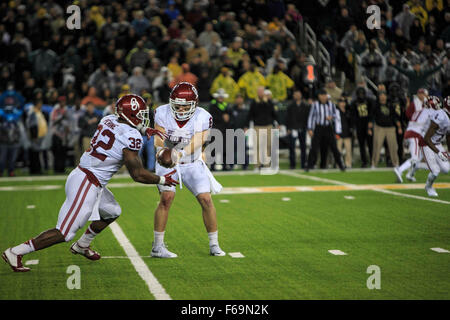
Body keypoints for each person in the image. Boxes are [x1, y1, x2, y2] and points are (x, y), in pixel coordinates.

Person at [2, 94, 177, 272]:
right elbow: (138, 175)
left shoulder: (108, 119)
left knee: (112, 212)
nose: (142, 118)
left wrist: (144, 129)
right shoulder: (132, 137)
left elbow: (124, 128)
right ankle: (16, 252)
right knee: (65, 232)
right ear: (131, 115)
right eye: (140, 114)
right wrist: (163, 179)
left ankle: (82, 245)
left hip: (88, 177)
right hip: (86, 182)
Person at [152, 82, 226, 258]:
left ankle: (214, 244)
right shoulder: (162, 112)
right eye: (177, 105)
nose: (180, 109)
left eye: (185, 106)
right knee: (166, 198)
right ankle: (157, 246)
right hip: (167, 163)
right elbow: (158, 137)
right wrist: (162, 152)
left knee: (206, 200)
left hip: (192, 162)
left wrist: (180, 153)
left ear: (194, 104)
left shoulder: (203, 116)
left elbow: (198, 141)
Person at [306, 89, 345, 171]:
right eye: (322, 96)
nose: (324, 97)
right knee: (314, 147)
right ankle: (309, 165)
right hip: (318, 127)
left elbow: (336, 115)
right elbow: (311, 117)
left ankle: (340, 165)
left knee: (333, 147)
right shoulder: (315, 105)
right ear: (319, 96)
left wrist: (332, 117)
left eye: (325, 95)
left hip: (328, 128)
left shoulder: (331, 105)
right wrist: (310, 129)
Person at [395, 88, 429, 181]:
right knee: (415, 158)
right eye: (420, 94)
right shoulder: (420, 106)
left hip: (416, 133)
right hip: (415, 134)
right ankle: (400, 169)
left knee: (420, 156)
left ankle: (410, 174)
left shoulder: (422, 106)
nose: (421, 95)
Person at [422, 96, 449, 197]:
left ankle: (423, 166)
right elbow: (426, 138)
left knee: (446, 169)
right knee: (435, 171)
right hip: (426, 143)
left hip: (437, 143)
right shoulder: (439, 116)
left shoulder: (445, 115)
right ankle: (429, 187)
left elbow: (448, 135)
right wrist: (439, 152)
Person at [247, 87, 278, 169]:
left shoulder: (269, 102)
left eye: (261, 91)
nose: (260, 93)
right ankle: (257, 165)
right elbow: (250, 114)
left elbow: (273, 113)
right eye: (259, 91)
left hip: (268, 125)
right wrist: (246, 126)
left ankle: (266, 164)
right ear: (257, 93)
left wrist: (278, 123)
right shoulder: (254, 102)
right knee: (257, 145)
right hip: (257, 126)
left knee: (268, 145)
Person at [371, 91, 402, 169]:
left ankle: (396, 163)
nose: (382, 97)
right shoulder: (376, 105)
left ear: (386, 96)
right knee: (377, 146)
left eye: (384, 95)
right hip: (379, 127)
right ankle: (374, 164)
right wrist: (370, 125)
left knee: (393, 146)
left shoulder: (390, 105)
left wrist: (399, 127)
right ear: (379, 97)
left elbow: (395, 116)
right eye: (381, 95)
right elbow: (372, 115)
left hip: (390, 128)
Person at [286, 89, 310, 169]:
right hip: (293, 129)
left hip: (302, 128)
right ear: (293, 96)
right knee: (292, 148)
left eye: (298, 94)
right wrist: (288, 128)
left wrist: (307, 127)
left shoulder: (305, 106)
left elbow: (307, 118)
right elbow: (288, 118)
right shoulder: (290, 106)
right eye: (296, 94)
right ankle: (292, 165)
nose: (297, 96)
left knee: (303, 147)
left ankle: (304, 164)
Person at [350, 87, 374, 167]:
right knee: (361, 145)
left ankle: (372, 160)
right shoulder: (354, 103)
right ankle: (364, 162)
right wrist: (355, 126)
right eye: (359, 94)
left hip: (368, 124)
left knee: (370, 144)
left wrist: (370, 121)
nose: (361, 95)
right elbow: (353, 115)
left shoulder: (369, 101)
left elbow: (372, 111)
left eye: (362, 93)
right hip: (360, 125)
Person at [209, 88, 231, 171]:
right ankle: (212, 166)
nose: (221, 98)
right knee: (214, 148)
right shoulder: (213, 105)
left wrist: (228, 119)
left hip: (224, 129)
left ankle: (225, 165)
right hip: (216, 128)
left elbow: (230, 117)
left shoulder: (227, 105)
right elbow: (212, 116)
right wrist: (223, 118)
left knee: (225, 148)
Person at [49, 96, 72, 173]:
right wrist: (61, 117)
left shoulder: (66, 110)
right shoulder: (56, 110)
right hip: (56, 134)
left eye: (64, 101)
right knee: (57, 153)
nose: (63, 103)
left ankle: (62, 168)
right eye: (62, 101)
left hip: (64, 135)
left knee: (63, 152)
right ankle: (56, 169)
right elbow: (53, 121)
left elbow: (70, 122)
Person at [336, 97, 353, 168]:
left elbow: (351, 122)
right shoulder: (336, 111)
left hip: (347, 133)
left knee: (348, 150)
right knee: (338, 150)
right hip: (339, 134)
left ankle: (348, 164)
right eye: (341, 102)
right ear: (338, 103)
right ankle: (338, 164)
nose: (342, 104)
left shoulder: (348, 111)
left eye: (344, 102)